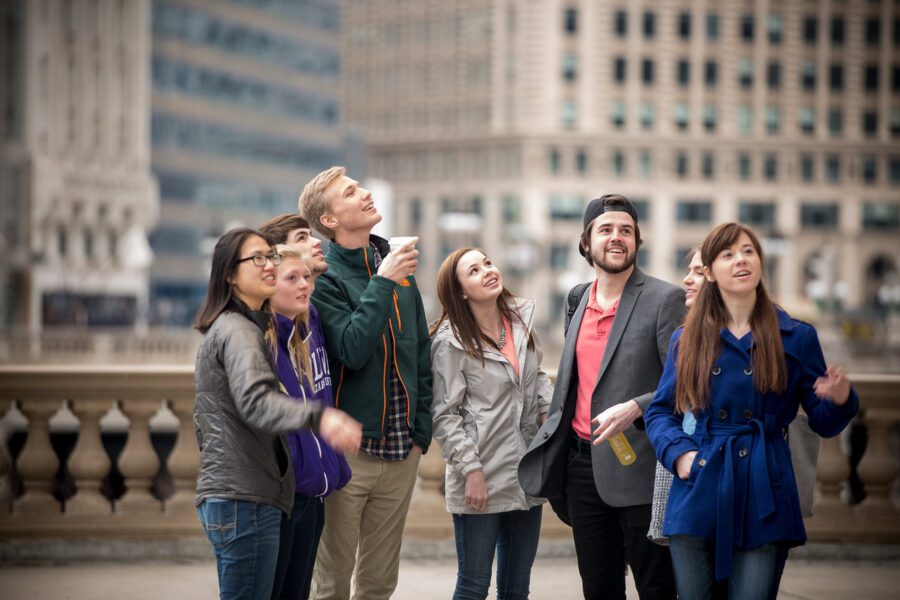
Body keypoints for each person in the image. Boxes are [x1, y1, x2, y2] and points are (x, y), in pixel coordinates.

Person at [644, 222, 859, 599]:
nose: (740, 260)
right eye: (727, 255)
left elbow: (823, 423)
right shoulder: (688, 338)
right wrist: (682, 457)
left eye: (748, 251)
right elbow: (660, 413)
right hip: (699, 484)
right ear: (709, 272)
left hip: (765, 490)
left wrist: (839, 399)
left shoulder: (796, 336)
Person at [518, 194, 683, 599]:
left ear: (637, 242)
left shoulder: (666, 299)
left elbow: (685, 382)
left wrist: (637, 407)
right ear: (586, 242)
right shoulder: (576, 298)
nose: (616, 237)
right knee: (598, 588)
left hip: (642, 468)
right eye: (605, 229)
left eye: (626, 230)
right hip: (581, 469)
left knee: (657, 587)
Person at [192, 228, 361, 600]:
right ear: (229, 275)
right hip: (247, 497)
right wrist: (319, 417)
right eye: (257, 259)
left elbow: (205, 420)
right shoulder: (239, 331)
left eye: (269, 256)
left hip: (248, 494)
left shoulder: (243, 327)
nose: (267, 264)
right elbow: (256, 401)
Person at [299, 166, 433, 600]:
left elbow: (421, 357)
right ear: (329, 221)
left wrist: (421, 434)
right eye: (350, 193)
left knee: (379, 584)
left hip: (401, 453)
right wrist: (383, 281)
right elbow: (352, 349)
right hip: (349, 455)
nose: (366, 194)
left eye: (360, 187)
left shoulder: (397, 270)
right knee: (332, 582)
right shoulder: (323, 279)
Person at [430, 248, 553, 600]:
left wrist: (547, 416)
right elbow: (444, 414)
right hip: (481, 477)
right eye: (474, 270)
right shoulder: (449, 342)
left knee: (517, 589)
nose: (487, 270)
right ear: (461, 291)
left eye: (487, 262)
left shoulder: (521, 323)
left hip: (527, 474)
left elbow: (538, 377)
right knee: (473, 585)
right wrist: (472, 471)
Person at [265, 243, 351, 600]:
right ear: (267, 284)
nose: (305, 285)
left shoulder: (303, 333)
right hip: (281, 496)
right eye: (293, 278)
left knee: (298, 593)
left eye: (306, 277)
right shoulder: (258, 342)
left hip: (313, 494)